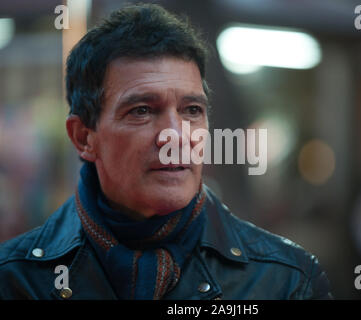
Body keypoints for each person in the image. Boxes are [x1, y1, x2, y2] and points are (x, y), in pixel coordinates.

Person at [0, 3, 332, 300]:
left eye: (191, 111)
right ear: (84, 137)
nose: (175, 137)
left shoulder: (285, 281)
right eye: (142, 110)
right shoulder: (16, 280)